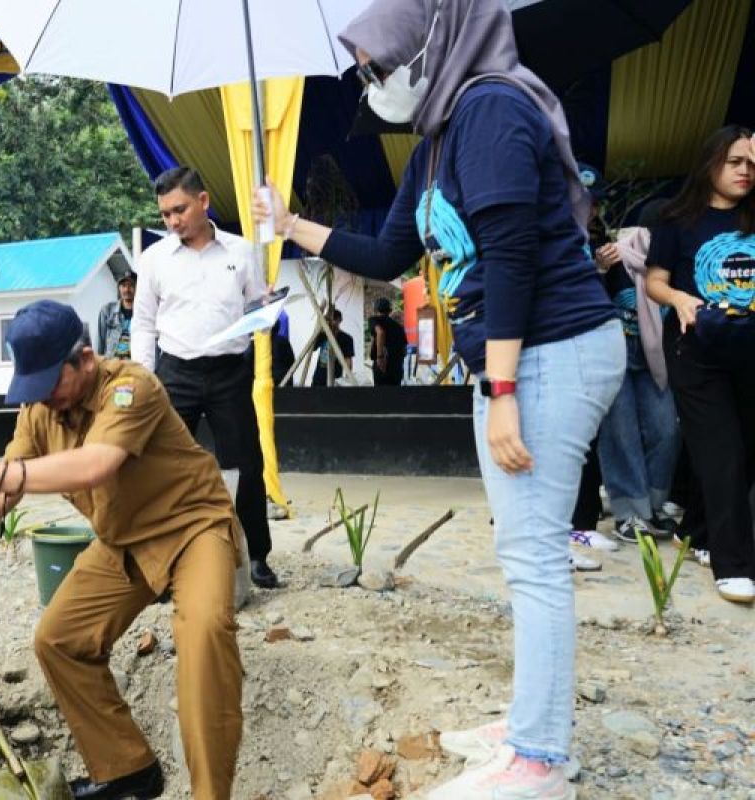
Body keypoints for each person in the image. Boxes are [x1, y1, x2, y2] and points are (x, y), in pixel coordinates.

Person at [254, 2, 624, 797]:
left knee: (534, 559)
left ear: (431, 44)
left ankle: (540, 758)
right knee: (522, 551)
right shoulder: (437, 140)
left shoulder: (491, 107)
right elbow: (390, 254)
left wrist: (499, 391)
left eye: (379, 66)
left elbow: (513, 260)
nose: (370, 84)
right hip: (522, 359)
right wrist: (288, 224)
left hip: (551, 352)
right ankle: (532, 720)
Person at [0, 300, 242, 800]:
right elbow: (5, 493)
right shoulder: (41, 409)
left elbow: (95, 465)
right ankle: (129, 771)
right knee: (59, 639)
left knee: (205, 638)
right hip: (123, 540)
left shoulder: (130, 387)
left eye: (49, 382)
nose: (42, 398)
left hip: (192, 528)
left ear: (83, 359)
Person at [132, 166, 279, 589]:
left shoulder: (242, 252)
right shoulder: (154, 259)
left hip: (229, 373)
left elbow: (257, 315)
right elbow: (143, 324)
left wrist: (265, 310)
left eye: (179, 209)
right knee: (164, 470)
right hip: (174, 373)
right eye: (165, 214)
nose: (172, 221)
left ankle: (256, 557)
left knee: (247, 466)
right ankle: (162, 565)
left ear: (203, 201)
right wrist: (147, 379)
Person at [644, 125, 755, 604]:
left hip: (749, 352)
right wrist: (680, 300)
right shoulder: (677, 218)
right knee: (722, 452)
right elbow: (654, 282)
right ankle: (734, 565)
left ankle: (698, 532)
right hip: (697, 353)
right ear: (711, 162)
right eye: (735, 161)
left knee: (744, 453)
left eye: (752, 163)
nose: (745, 171)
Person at [594, 201, 680, 545]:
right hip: (615, 356)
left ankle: (653, 507)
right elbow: (588, 301)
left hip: (654, 358)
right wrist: (598, 271)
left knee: (666, 430)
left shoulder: (671, 266)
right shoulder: (613, 258)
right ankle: (629, 514)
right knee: (620, 434)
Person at [311, 306, 356, 386]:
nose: (331, 323)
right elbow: (312, 348)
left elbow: (348, 360)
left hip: (335, 378)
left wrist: (347, 379)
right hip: (319, 377)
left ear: (340, 320)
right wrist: (319, 329)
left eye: (334, 320)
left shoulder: (346, 338)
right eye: (328, 320)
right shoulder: (323, 335)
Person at [96, 270, 137, 359]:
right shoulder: (107, 311)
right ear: (119, 287)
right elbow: (100, 342)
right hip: (111, 364)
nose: (127, 289)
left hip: (133, 365)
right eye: (123, 285)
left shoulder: (143, 313)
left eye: (131, 285)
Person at [368, 297, 407, 386]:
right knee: (395, 397)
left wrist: (380, 357)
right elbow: (404, 351)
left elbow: (380, 332)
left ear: (376, 310)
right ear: (390, 311)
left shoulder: (375, 320)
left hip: (382, 367)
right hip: (397, 368)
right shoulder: (399, 328)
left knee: (381, 397)